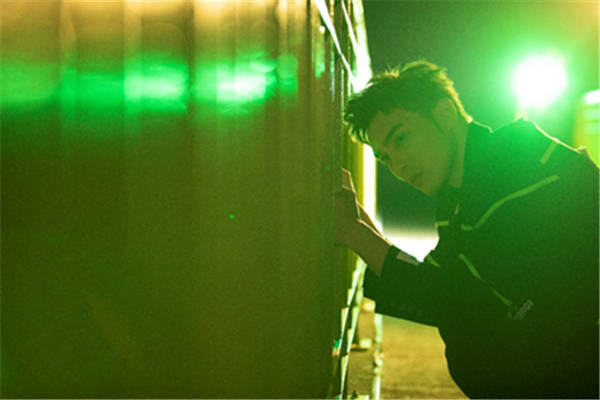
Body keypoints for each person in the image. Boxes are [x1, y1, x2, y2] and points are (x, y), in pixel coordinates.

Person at [335, 60, 599, 398]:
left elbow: (451, 298)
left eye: (400, 139)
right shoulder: (467, 185)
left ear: (445, 114)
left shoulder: (518, 174)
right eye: (385, 158)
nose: (398, 166)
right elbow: (438, 278)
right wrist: (358, 222)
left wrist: (354, 232)